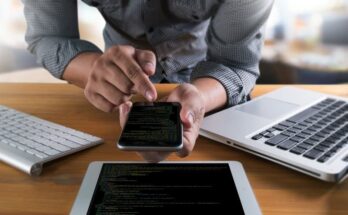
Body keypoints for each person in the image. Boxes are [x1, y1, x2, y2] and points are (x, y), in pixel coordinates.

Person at [22, 0, 274, 162]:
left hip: (205, 86)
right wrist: (94, 70)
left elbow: (236, 64)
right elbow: (48, 36)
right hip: (109, 94)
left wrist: (199, 98)